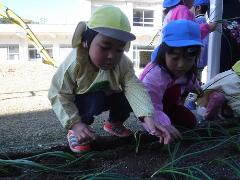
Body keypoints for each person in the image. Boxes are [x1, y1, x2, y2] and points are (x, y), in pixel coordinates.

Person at [48, 5, 181, 153]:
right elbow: (59, 94)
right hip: (83, 100)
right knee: (93, 99)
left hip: (107, 96)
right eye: (105, 47)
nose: (112, 55)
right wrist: (75, 124)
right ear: (86, 42)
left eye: (119, 49)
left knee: (130, 94)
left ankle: (114, 123)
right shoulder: (74, 64)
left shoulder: (122, 63)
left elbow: (134, 86)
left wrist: (148, 118)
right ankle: (78, 130)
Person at [139, 20, 203, 135]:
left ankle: (167, 117)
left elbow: (189, 80)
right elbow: (149, 107)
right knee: (162, 130)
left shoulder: (184, 71)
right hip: (147, 110)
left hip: (169, 106)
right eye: (175, 58)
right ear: (164, 53)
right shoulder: (154, 76)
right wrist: (164, 125)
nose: (181, 65)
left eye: (188, 59)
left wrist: (197, 87)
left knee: (190, 121)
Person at [151, 0, 217, 62]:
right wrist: (208, 27)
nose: (194, 1)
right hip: (171, 56)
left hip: (165, 55)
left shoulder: (173, 11)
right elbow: (188, 33)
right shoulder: (182, 10)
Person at [194, 0, 210, 81]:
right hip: (201, 61)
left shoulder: (196, 22)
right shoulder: (206, 23)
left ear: (198, 8)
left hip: (195, 61)